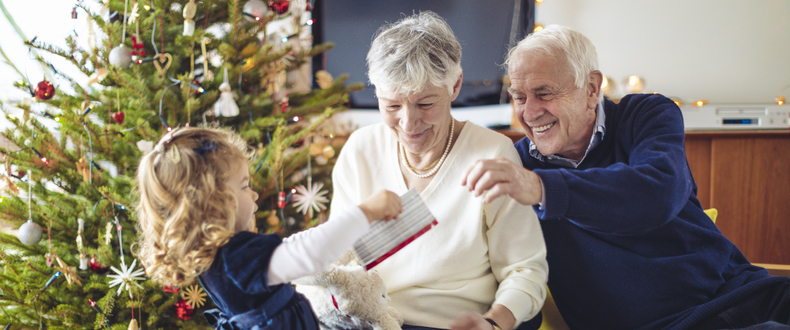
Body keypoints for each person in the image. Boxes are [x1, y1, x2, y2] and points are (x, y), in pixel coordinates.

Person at [462, 25, 790, 330]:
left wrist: (542, 189)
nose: (530, 113)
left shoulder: (645, 116)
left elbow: (657, 192)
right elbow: (508, 268)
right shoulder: (515, 168)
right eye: (519, 97)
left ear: (591, 88)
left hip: (747, 293)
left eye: (544, 93)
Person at [329, 11, 548, 330]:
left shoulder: (491, 153)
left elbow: (525, 270)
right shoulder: (360, 150)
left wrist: (493, 323)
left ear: (455, 85)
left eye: (425, 104)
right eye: (391, 106)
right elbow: (339, 260)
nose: (407, 123)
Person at [135, 127, 403, 329]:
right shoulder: (239, 257)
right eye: (243, 186)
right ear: (213, 205)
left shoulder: (222, 256)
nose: (253, 195)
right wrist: (366, 212)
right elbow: (308, 255)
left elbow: (293, 247)